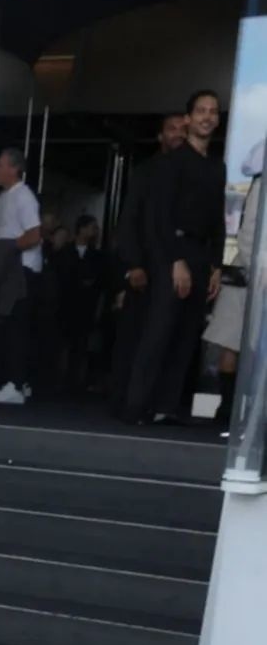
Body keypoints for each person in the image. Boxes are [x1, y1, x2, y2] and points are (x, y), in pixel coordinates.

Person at [123, 90, 226, 425]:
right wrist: (175, 261)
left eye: (213, 111)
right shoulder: (171, 163)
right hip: (171, 252)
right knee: (159, 331)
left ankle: (165, 407)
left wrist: (216, 265)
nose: (207, 117)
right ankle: (136, 406)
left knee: (185, 336)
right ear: (188, 118)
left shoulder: (217, 166)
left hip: (201, 254)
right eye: (201, 111)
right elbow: (160, 217)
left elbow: (217, 220)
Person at [108, 112, 188, 416]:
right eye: (172, 129)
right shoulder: (146, 172)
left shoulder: (192, 173)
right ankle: (125, 403)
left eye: (183, 129)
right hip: (146, 266)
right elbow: (129, 219)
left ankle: (157, 405)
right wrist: (133, 264)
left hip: (179, 267)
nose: (178, 134)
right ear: (160, 136)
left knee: (170, 339)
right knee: (135, 335)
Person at [0, 146, 42, 406]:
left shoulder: (23, 196)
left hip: (21, 271)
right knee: (10, 326)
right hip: (8, 270)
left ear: (14, 169)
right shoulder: (4, 197)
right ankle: (22, 381)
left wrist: (5, 249)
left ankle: (15, 385)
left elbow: (34, 235)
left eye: (0, 165)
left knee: (16, 328)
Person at [204, 170, 259, 436]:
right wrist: (257, 267)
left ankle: (246, 412)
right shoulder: (262, 184)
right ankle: (226, 410)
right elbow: (248, 232)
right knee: (232, 342)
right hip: (250, 276)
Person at [53, 214, 106, 393]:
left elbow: (100, 280)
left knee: (81, 345)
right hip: (66, 305)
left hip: (86, 307)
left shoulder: (97, 256)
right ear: (81, 229)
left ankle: (76, 383)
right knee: (63, 344)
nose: (95, 231)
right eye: (92, 227)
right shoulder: (65, 253)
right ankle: (60, 381)